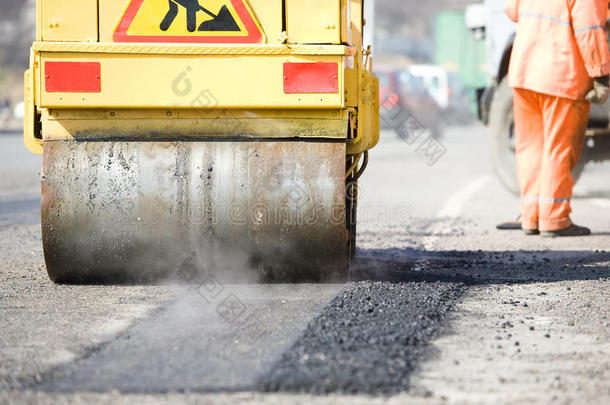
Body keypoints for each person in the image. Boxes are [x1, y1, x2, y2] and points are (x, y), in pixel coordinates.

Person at [503, 0, 610, 237]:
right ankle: (554, 218)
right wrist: (600, 74)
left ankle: (532, 216)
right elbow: (589, 29)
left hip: (524, 72)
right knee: (559, 148)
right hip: (561, 76)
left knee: (530, 147)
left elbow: (511, 10)